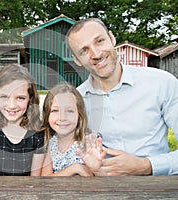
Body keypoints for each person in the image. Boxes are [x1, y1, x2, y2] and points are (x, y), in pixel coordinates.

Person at [66, 18, 178, 176]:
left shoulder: (161, 83)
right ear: (77, 60)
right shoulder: (75, 102)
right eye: (84, 51)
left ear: (112, 38)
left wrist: (146, 165)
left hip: (159, 188)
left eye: (99, 41)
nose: (96, 54)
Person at [0, 64, 45, 176]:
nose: (11, 106)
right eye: (4, 97)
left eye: (20, 98)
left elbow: (34, 180)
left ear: (30, 99)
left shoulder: (38, 134)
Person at [41, 82, 104, 176]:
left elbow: (95, 178)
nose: (62, 117)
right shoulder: (50, 142)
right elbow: (45, 179)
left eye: (69, 111)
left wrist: (96, 170)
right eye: (55, 110)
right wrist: (74, 168)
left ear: (80, 115)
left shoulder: (89, 140)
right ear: (47, 115)